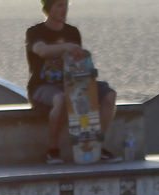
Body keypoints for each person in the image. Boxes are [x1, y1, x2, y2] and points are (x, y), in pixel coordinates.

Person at [26, 0, 116, 165]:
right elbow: (42, 51)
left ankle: (97, 145)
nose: (64, 9)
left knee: (109, 95)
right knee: (60, 99)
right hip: (42, 87)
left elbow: (78, 64)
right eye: (59, 5)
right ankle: (52, 151)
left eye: (66, 5)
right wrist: (66, 47)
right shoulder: (35, 32)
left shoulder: (73, 32)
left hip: (74, 84)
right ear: (48, 8)